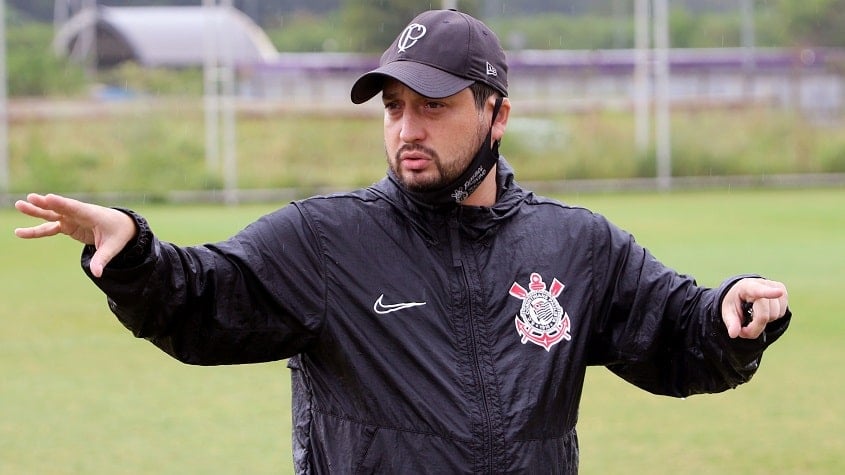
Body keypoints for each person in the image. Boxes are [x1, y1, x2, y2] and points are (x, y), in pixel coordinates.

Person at [14, 9, 790, 475]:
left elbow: (675, 331)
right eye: (392, 106)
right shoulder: (324, 240)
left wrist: (731, 311)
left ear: (497, 114)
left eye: (433, 106)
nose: (406, 129)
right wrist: (133, 255)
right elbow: (204, 299)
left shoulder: (575, 244)